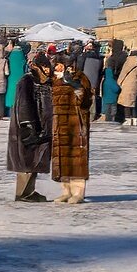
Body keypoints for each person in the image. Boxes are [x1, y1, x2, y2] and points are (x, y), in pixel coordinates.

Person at [7, 52, 53, 203]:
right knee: (25, 161)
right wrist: (28, 125)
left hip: (41, 127)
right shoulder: (27, 81)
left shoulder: (45, 82)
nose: (47, 70)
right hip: (27, 127)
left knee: (34, 161)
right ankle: (22, 193)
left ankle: (29, 191)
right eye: (44, 66)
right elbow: (23, 104)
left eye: (48, 66)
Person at [50, 53, 94, 204]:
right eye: (56, 65)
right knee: (63, 158)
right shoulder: (55, 79)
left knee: (77, 159)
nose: (57, 67)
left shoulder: (80, 77)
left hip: (76, 123)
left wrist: (76, 87)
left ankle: (78, 193)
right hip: (59, 123)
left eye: (59, 64)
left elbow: (87, 100)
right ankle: (66, 191)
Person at [116, 49, 137, 126]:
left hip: (128, 84)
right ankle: (134, 119)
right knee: (132, 103)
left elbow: (124, 72)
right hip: (135, 85)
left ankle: (128, 119)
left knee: (127, 103)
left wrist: (119, 82)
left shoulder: (129, 61)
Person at [77, 40, 104, 119]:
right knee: (93, 97)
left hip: (85, 78)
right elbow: (100, 70)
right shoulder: (100, 57)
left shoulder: (84, 56)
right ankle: (92, 115)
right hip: (94, 80)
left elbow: (79, 68)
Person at [4, 40, 27, 117]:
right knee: (19, 97)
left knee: (10, 96)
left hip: (10, 79)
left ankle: (9, 114)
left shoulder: (9, 56)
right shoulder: (22, 57)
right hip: (21, 79)